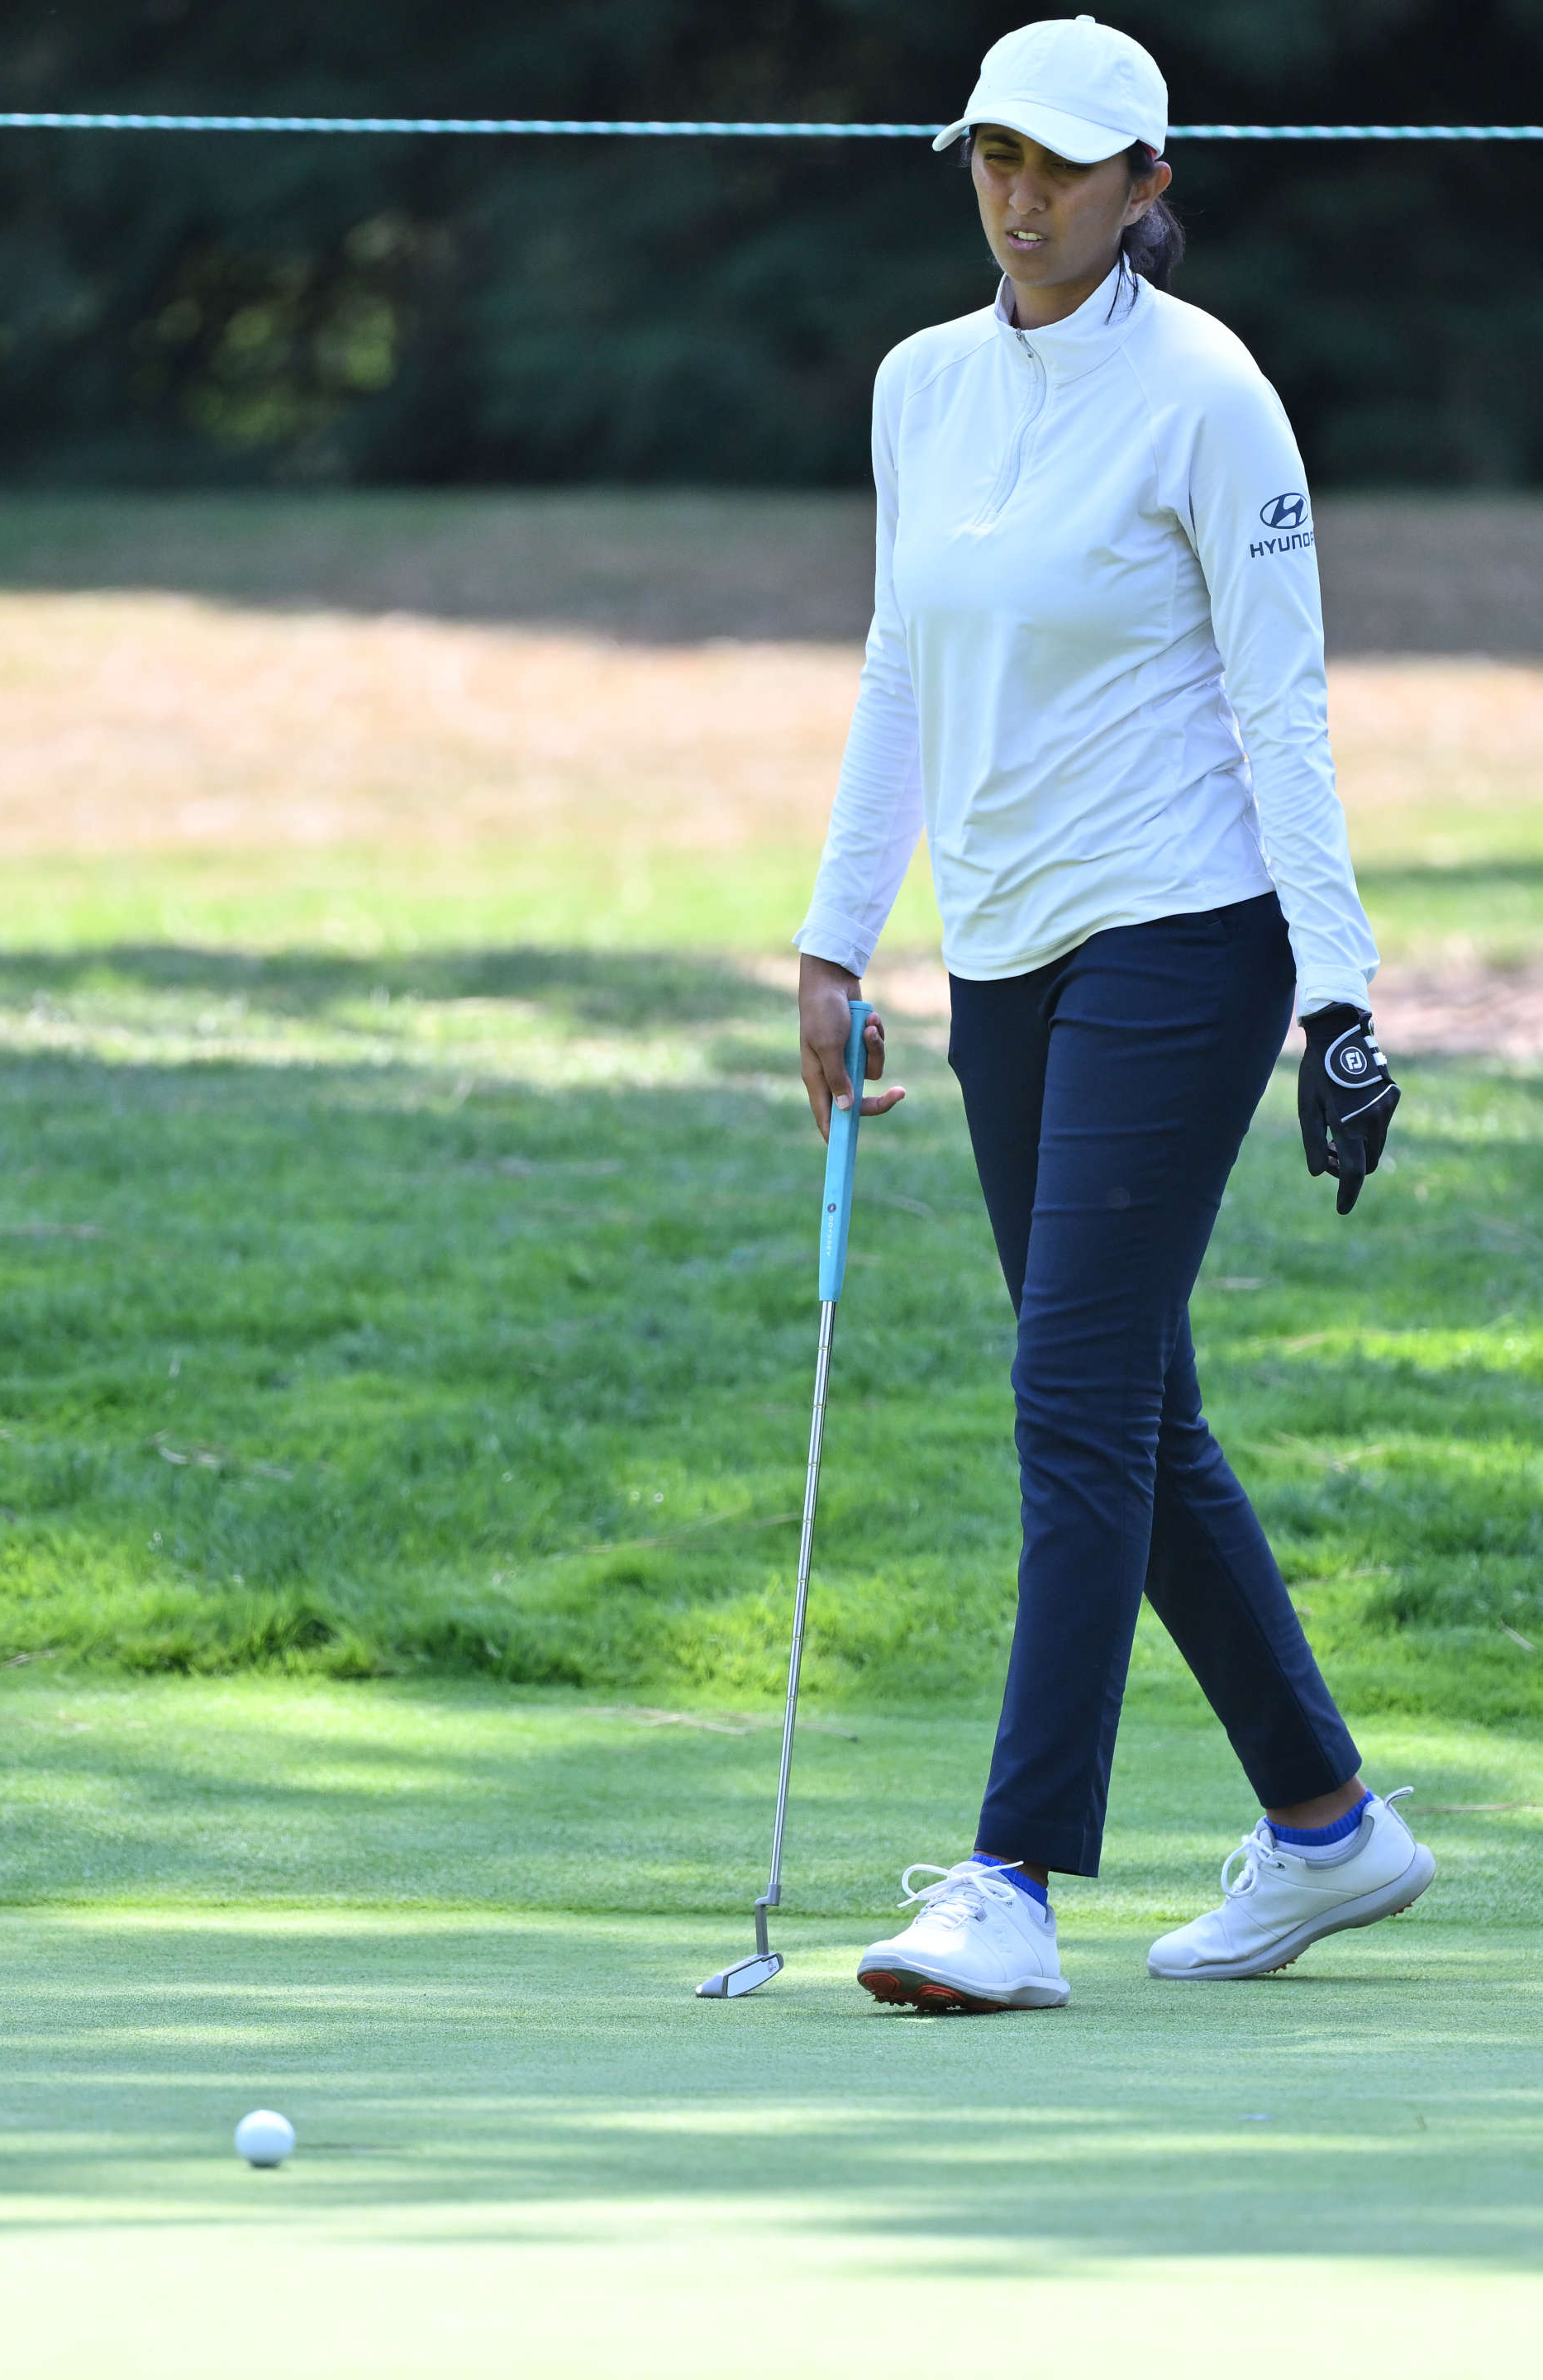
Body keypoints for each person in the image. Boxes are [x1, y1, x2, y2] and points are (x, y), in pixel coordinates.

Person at [794, 16, 1433, 2011]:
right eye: (995, 156)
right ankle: (1327, 1826)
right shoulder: (920, 385)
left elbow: (1283, 704)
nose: (1022, 193)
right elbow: (903, 663)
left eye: (1066, 164)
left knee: (1073, 1397)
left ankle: (1011, 1880)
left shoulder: (1209, 395)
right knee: (1135, 1411)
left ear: (1148, 183)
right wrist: (836, 939)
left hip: (1189, 933)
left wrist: (1339, 993)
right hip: (1005, 951)